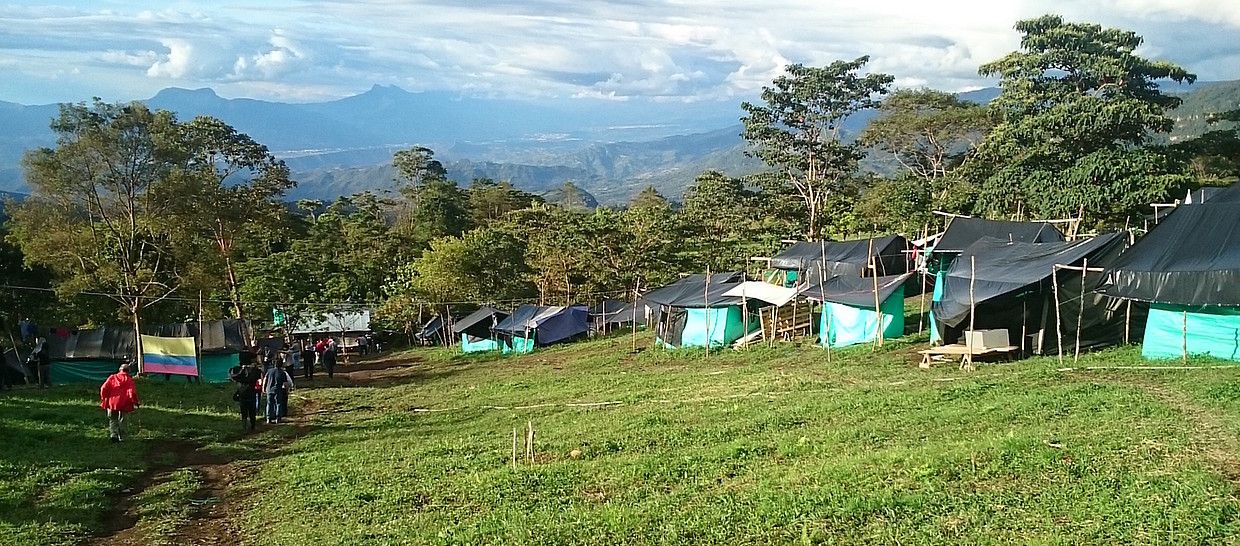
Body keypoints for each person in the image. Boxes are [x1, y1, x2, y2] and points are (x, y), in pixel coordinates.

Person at [99, 361, 139, 442]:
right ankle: (122, 437)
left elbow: (103, 388)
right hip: (125, 403)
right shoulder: (129, 380)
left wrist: (104, 398)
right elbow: (132, 392)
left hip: (112, 402)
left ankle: (114, 434)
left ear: (119, 370)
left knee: (113, 419)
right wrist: (135, 401)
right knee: (123, 420)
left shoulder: (112, 377)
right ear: (128, 371)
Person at [228, 362, 262, 432]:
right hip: (250, 396)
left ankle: (245, 428)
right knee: (251, 413)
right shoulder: (252, 376)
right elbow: (259, 373)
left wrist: (242, 370)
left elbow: (232, 376)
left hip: (243, 397)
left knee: (244, 413)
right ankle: (252, 427)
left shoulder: (240, 379)